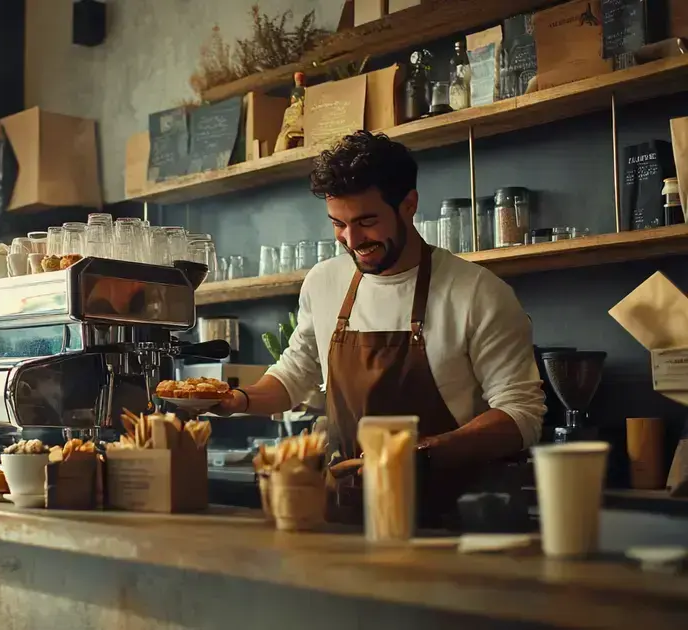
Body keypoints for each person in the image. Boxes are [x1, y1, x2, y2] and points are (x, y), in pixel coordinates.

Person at [217, 131, 545, 521]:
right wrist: (238, 400)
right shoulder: (324, 283)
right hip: (345, 514)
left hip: (444, 521)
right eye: (338, 224)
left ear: (409, 204)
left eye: (367, 221)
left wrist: (416, 453)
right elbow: (294, 375)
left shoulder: (478, 292)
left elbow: (520, 415)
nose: (352, 240)